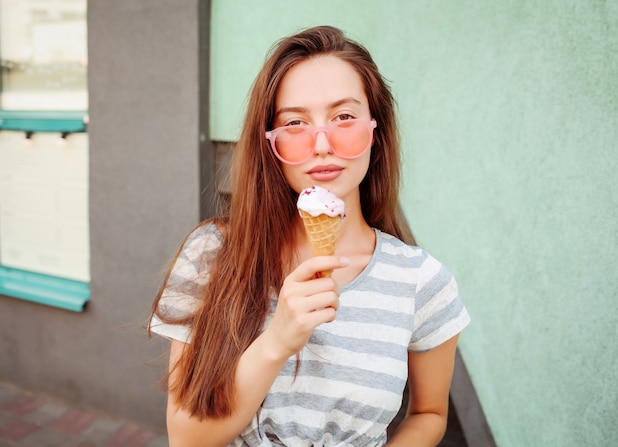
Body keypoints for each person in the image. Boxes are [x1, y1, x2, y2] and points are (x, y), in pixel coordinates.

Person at [149, 25, 470, 447]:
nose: (321, 144)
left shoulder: (422, 281)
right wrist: (278, 339)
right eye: (296, 123)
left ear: (376, 129)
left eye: (343, 117)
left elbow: (430, 414)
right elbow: (186, 438)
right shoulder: (213, 255)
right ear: (270, 145)